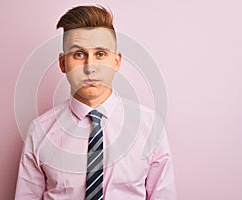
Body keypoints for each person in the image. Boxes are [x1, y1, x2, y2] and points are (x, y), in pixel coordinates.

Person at [14, 5, 176, 200]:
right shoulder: (39, 131)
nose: (90, 67)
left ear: (116, 61)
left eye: (100, 54)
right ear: (63, 63)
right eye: (79, 54)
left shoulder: (149, 127)